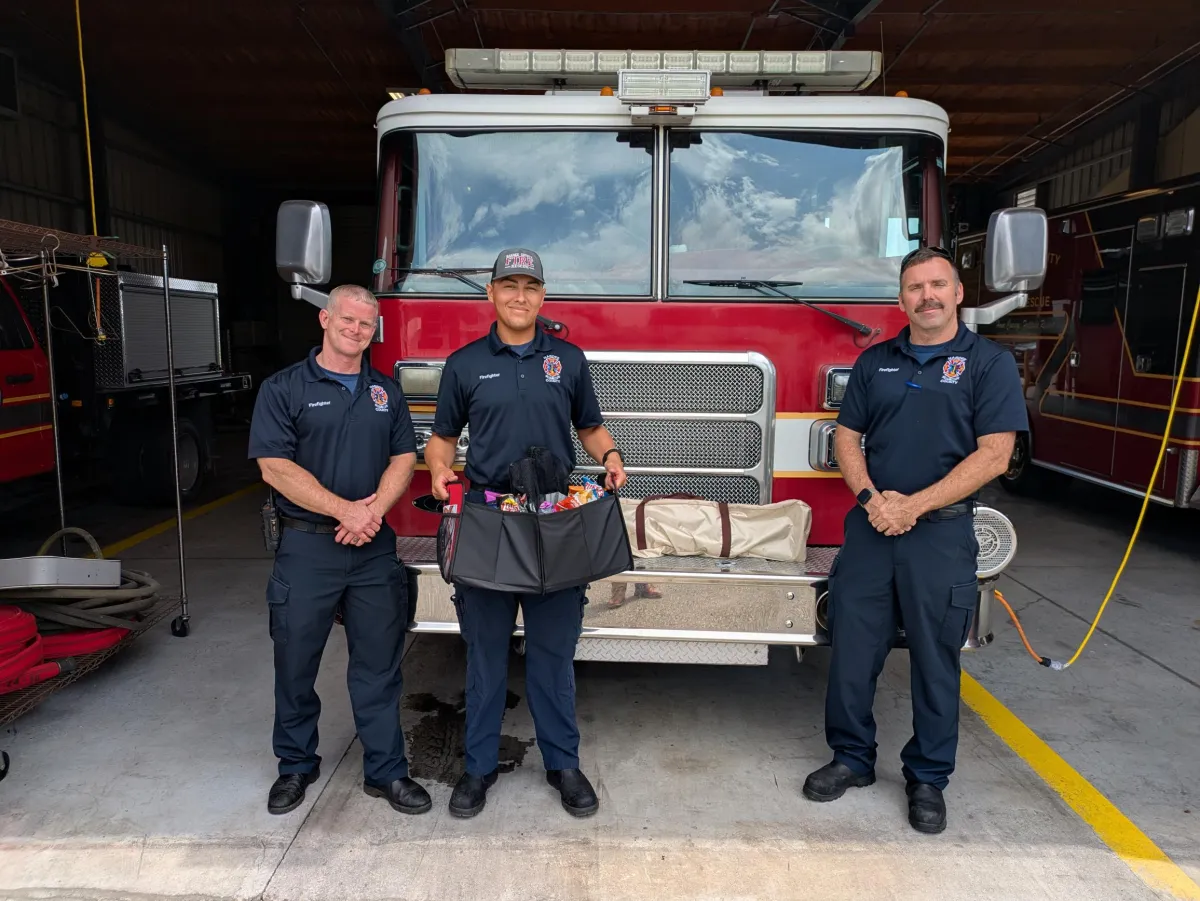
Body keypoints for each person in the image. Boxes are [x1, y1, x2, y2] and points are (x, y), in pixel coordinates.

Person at [803, 246, 1027, 834]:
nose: (926, 296)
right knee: (853, 652)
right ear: (900, 299)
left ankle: (928, 777)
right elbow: (847, 437)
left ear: (958, 293)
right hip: (872, 531)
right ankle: (851, 759)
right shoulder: (877, 362)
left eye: (937, 285)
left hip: (941, 535)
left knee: (935, 659)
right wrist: (874, 502)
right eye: (914, 288)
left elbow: (996, 453)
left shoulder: (988, 364)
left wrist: (915, 506)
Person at [426, 247, 628, 819]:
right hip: (488, 526)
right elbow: (442, 438)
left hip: (555, 527)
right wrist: (439, 469)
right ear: (490, 294)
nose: (520, 296)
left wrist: (610, 454)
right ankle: (478, 767)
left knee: (552, 657)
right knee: (485, 658)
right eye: (509, 286)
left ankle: (563, 764)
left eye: (530, 287)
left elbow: (588, 425)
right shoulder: (464, 364)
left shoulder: (567, 359)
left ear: (543, 296)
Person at [248, 284, 432, 817]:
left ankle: (386, 772)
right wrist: (342, 510)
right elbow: (273, 466)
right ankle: (295, 765)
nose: (357, 330)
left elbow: (404, 459)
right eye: (348, 320)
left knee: (378, 666)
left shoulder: (385, 393)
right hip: (307, 548)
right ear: (325, 320)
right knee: (295, 662)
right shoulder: (284, 389)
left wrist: (369, 514)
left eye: (367, 324)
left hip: (373, 549)